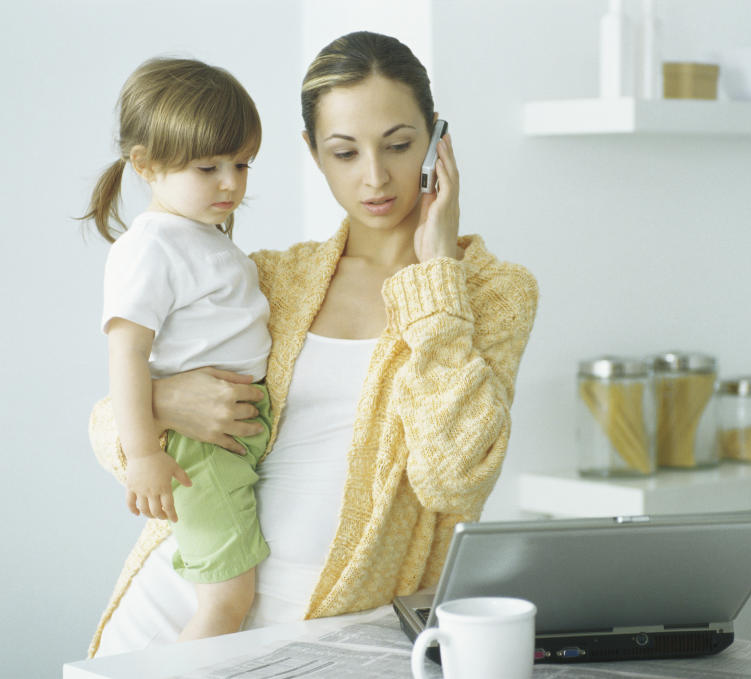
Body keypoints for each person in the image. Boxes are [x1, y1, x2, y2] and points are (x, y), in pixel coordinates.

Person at [86, 31, 538, 658]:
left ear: (439, 141)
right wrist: (166, 403)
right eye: (344, 153)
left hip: (333, 630)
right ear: (313, 153)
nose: (375, 177)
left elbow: (453, 478)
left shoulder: (490, 292)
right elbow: (109, 425)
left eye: (400, 145)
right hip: (184, 602)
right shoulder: (273, 277)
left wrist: (435, 278)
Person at [82, 57, 273, 642]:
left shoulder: (201, 235)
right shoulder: (150, 246)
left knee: (232, 594)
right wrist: (142, 454)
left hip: (231, 437)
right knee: (227, 601)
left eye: (242, 164)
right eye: (207, 167)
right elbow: (127, 354)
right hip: (201, 450)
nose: (231, 183)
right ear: (146, 165)